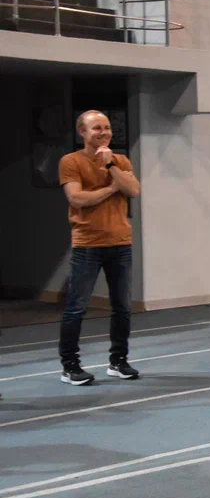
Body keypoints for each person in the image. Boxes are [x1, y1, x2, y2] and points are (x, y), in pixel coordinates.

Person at [57, 110, 141, 386]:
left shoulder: (120, 160)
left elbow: (133, 190)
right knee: (76, 308)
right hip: (88, 244)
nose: (103, 132)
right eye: (96, 128)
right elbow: (78, 198)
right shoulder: (70, 162)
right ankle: (70, 365)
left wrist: (112, 168)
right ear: (82, 132)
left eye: (106, 127)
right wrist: (111, 188)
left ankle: (118, 361)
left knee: (122, 307)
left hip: (121, 243)